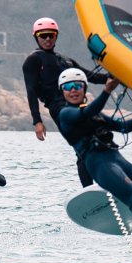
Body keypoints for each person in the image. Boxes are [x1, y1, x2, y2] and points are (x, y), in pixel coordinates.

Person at [55, 68, 132, 242]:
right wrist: (107, 90)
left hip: (117, 159)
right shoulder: (66, 113)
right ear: (62, 91)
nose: (73, 90)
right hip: (99, 165)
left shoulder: (96, 114)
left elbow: (124, 127)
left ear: (84, 88)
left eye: (77, 85)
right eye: (68, 87)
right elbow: (86, 113)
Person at [22, 17, 109, 186]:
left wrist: (115, 77)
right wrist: (37, 121)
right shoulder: (33, 60)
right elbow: (31, 91)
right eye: (43, 35)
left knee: (98, 141)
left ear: (56, 36)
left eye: (51, 35)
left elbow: (91, 77)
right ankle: (89, 191)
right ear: (36, 37)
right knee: (82, 148)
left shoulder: (65, 60)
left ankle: (104, 186)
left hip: (79, 106)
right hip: (58, 107)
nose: (47, 39)